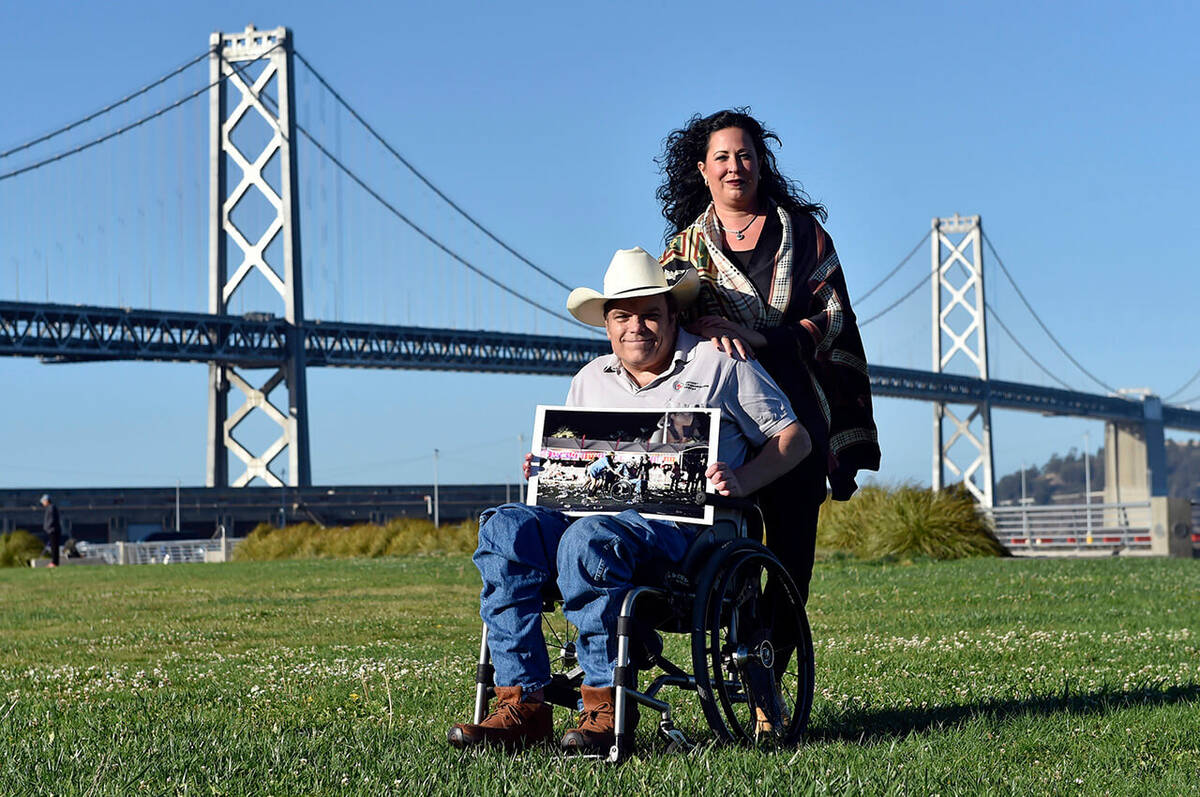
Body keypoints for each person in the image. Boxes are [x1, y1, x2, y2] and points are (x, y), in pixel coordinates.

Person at [448, 247, 811, 753]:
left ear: (672, 314)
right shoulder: (590, 378)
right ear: (606, 323)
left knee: (587, 538)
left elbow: (794, 438)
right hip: (589, 524)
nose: (635, 327)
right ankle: (522, 704)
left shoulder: (720, 363)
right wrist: (547, 471)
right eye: (622, 315)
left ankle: (603, 707)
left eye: (649, 314)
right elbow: (574, 470)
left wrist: (744, 479)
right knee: (504, 527)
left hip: (686, 533)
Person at [657, 109, 880, 603]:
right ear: (702, 170)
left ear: (761, 163)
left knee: (789, 570)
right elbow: (661, 329)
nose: (734, 166)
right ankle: (736, 662)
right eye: (722, 157)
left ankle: (770, 672)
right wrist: (699, 326)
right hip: (721, 425)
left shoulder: (807, 236)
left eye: (745, 155)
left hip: (795, 419)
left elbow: (835, 317)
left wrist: (764, 339)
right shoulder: (679, 253)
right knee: (725, 569)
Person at [40, 494, 61, 568]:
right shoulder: (50, 508)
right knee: (53, 547)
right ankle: (54, 562)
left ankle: (54, 562)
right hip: (51, 530)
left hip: (53, 530)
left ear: (46, 501)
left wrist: (47, 527)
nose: (42, 503)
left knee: (54, 548)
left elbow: (51, 520)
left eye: (43, 501)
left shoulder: (51, 508)